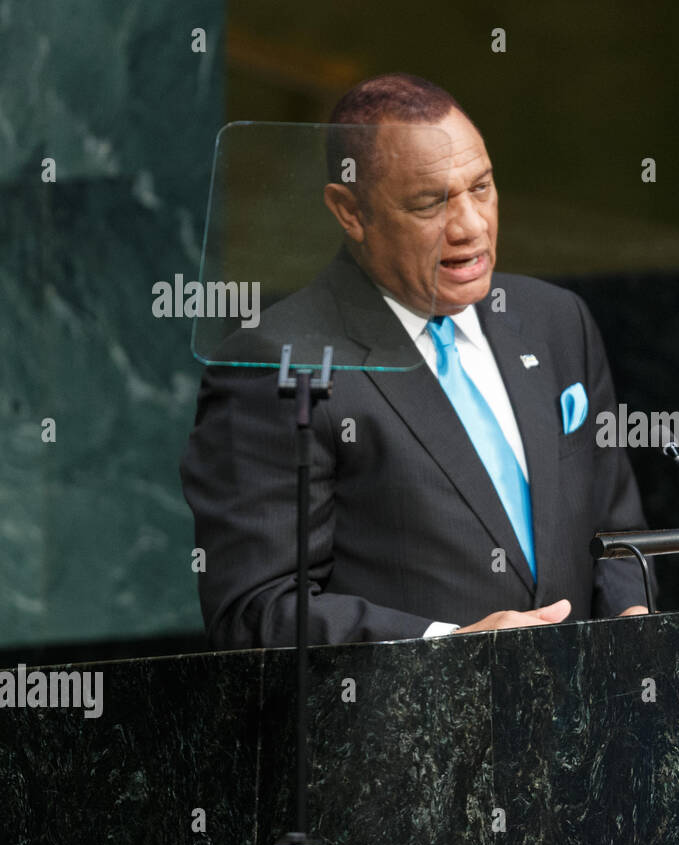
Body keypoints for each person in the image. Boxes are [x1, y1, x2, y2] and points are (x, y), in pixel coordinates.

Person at [180, 74, 652, 648]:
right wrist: (450, 647)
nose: (471, 227)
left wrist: (633, 621)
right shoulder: (278, 363)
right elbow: (256, 610)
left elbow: (619, 531)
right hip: (402, 730)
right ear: (350, 211)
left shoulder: (556, 320)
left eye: (481, 188)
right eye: (430, 203)